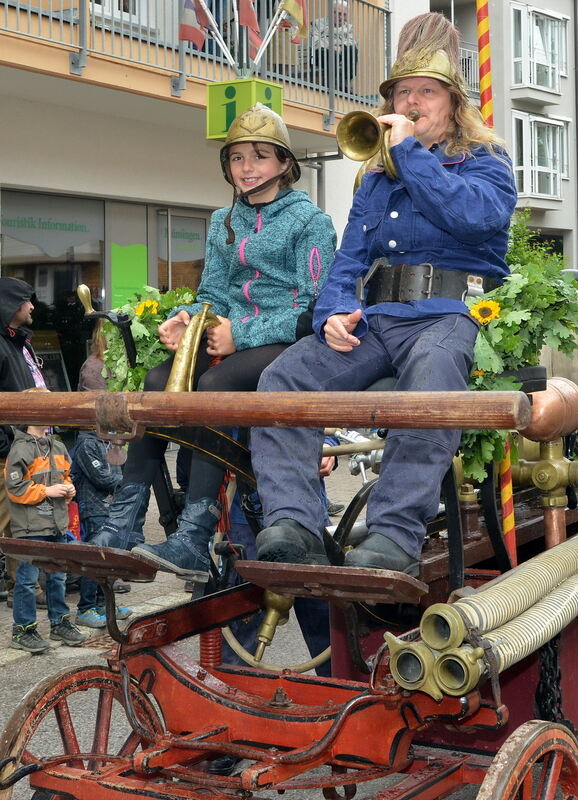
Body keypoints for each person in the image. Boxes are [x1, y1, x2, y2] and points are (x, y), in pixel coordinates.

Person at [247, 12, 518, 576]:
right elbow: (349, 259)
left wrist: (412, 154)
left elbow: (472, 218)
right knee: (283, 378)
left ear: (453, 103)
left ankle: (395, 532)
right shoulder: (376, 179)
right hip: (378, 317)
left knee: (431, 378)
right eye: (402, 92)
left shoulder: (488, 163)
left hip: (451, 311)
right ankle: (293, 522)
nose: (412, 102)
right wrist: (332, 313)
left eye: (426, 91)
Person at [94, 103, 336, 581]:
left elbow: (314, 306)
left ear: (285, 163)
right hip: (229, 339)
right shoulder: (222, 219)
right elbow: (213, 294)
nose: (247, 168)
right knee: (157, 379)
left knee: (216, 383)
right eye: (237, 158)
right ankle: (124, 521)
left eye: (260, 157)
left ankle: (194, 533)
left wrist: (239, 333)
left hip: (287, 341)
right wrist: (188, 320)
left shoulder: (312, 222)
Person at [6, 411, 87, 653]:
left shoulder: (58, 446)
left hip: (57, 524)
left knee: (57, 577)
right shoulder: (20, 449)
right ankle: (23, 630)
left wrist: (69, 488)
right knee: (27, 580)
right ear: (31, 415)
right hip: (30, 528)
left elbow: (66, 476)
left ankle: (59, 623)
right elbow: (15, 488)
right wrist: (47, 491)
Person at [0, 277, 48, 609]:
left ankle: (22, 586)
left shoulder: (20, 341)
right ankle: (19, 587)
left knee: (22, 520)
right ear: (10, 305)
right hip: (9, 450)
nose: (32, 306)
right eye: (26, 300)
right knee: (10, 522)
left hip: (27, 444)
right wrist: (7, 446)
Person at [310, 1, 358, 92]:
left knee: (352, 49)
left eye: (344, 15)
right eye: (339, 14)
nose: (341, 18)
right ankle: (329, 84)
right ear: (332, 12)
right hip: (320, 54)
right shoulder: (318, 23)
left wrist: (341, 47)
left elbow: (352, 41)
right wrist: (331, 47)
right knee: (333, 54)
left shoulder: (349, 27)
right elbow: (316, 42)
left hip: (340, 53)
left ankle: (345, 82)